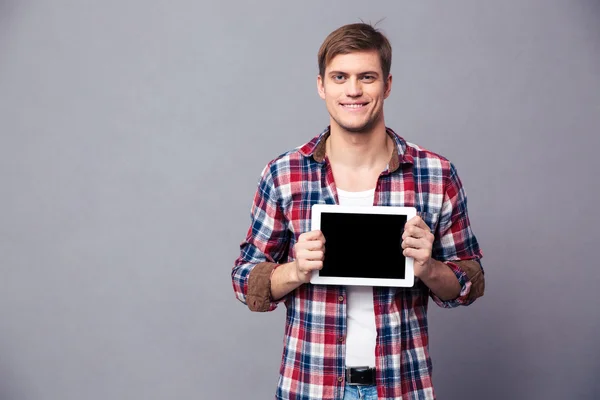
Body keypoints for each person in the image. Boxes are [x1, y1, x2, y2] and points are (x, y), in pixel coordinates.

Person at [231, 22, 484, 400]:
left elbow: (470, 282)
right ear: (321, 86)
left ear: (387, 84)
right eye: (339, 77)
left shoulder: (435, 174)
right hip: (310, 386)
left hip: (401, 387)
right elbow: (244, 281)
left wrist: (429, 268)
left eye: (367, 77)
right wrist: (296, 270)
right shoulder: (284, 174)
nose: (353, 90)